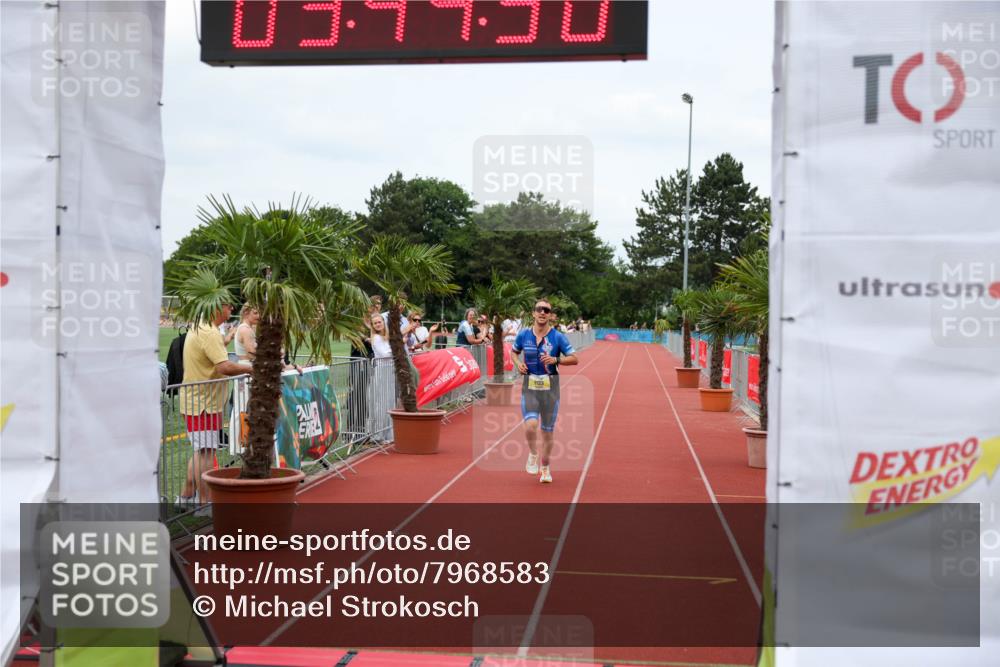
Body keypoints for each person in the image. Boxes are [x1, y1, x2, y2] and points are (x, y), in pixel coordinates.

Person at [177, 303, 248, 504]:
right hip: (202, 403)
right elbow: (224, 366)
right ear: (217, 308)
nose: (231, 309)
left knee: (202, 451)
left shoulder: (204, 327)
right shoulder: (209, 332)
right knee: (206, 453)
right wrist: (253, 369)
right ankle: (205, 503)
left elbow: (212, 354)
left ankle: (186, 496)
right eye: (228, 306)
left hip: (201, 401)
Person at [511, 298, 579, 484]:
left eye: (546, 310)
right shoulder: (523, 335)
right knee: (531, 425)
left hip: (551, 389)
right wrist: (518, 364)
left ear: (551, 315)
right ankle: (533, 453)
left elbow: (574, 358)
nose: (542, 313)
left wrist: (556, 360)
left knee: (547, 432)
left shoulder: (557, 337)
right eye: (539, 309)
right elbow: (514, 352)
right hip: (530, 387)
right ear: (533, 313)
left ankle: (546, 467)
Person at [365, 312, 394, 443]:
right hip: (382, 370)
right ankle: (378, 434)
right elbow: (384, 354)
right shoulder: (376, 338)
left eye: (379, 322)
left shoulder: (386, 337)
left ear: (383, 322)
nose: (378, 324)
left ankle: (388, 433)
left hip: (389, 370)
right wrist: (396, 349)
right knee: (381, 403)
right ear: (372, 325)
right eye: (375, 323)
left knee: (389, 402)